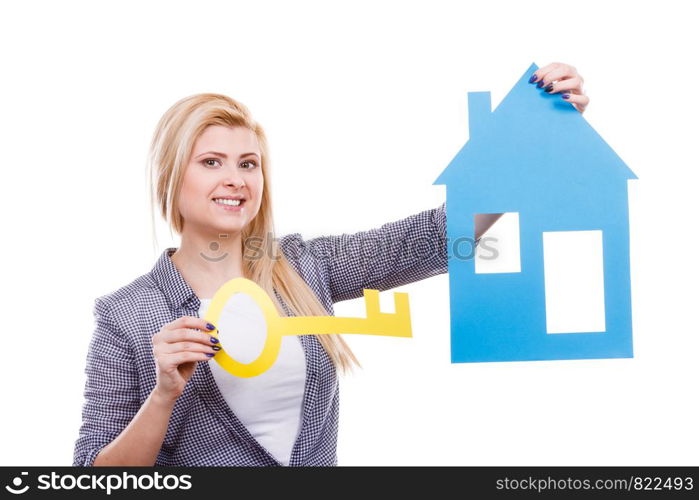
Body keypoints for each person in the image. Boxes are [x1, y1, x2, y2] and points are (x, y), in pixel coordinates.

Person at [72, 62, 589, 466]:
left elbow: (434, 236)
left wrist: (533, 130)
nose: (236, 179)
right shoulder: (128, 316)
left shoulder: (302, 266)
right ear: (171, 178)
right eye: (211, 162)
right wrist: (162, 394)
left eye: (248, 164)